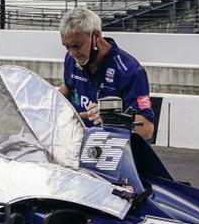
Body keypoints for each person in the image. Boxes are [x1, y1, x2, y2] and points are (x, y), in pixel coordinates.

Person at [57, 8, 155, 140]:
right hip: (78, 143)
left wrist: (111, 117)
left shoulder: (130, 71)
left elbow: (147, 129)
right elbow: (69, 87)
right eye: (67, 46)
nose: (72, 53)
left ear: (96, 36)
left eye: (77, 46)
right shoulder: (71, 59)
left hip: (115, 149)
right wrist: (49, 100)